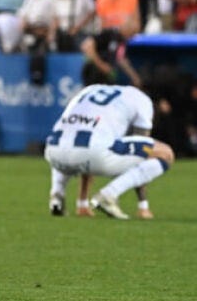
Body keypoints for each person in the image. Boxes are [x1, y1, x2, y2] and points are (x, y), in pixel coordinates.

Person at [45, 79, 173, 221]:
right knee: (165, 153)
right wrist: (143, 206)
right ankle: (109, 194)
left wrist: (82, 202)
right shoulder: (142, 100)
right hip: (93, 152)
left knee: (74, 142)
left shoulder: (89, 90)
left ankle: (57, 195)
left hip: (53, 153)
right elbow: (142, 154)